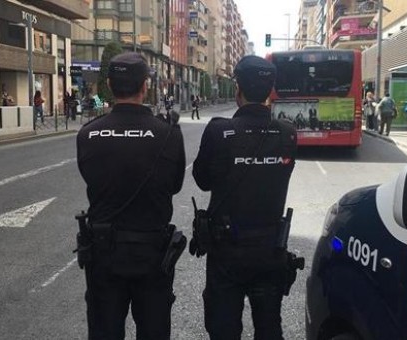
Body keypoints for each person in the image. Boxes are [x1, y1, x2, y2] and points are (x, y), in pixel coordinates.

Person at [76, 52, 186, 340]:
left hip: (104, 253)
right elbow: (174, 185)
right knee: (153, 331)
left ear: (109, 84)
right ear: (145, 86)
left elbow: (91, 178)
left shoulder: (88, 134)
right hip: (152, 254)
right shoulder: (169, 134)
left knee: (104, 332)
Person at [192, 55, 298, 340]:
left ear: (237, 89)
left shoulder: (218, 131)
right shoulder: (288, 134)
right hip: (269, 249)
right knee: (269, 329)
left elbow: (202, 181)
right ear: (270, 92)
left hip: (227, 252)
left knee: (224, 329)